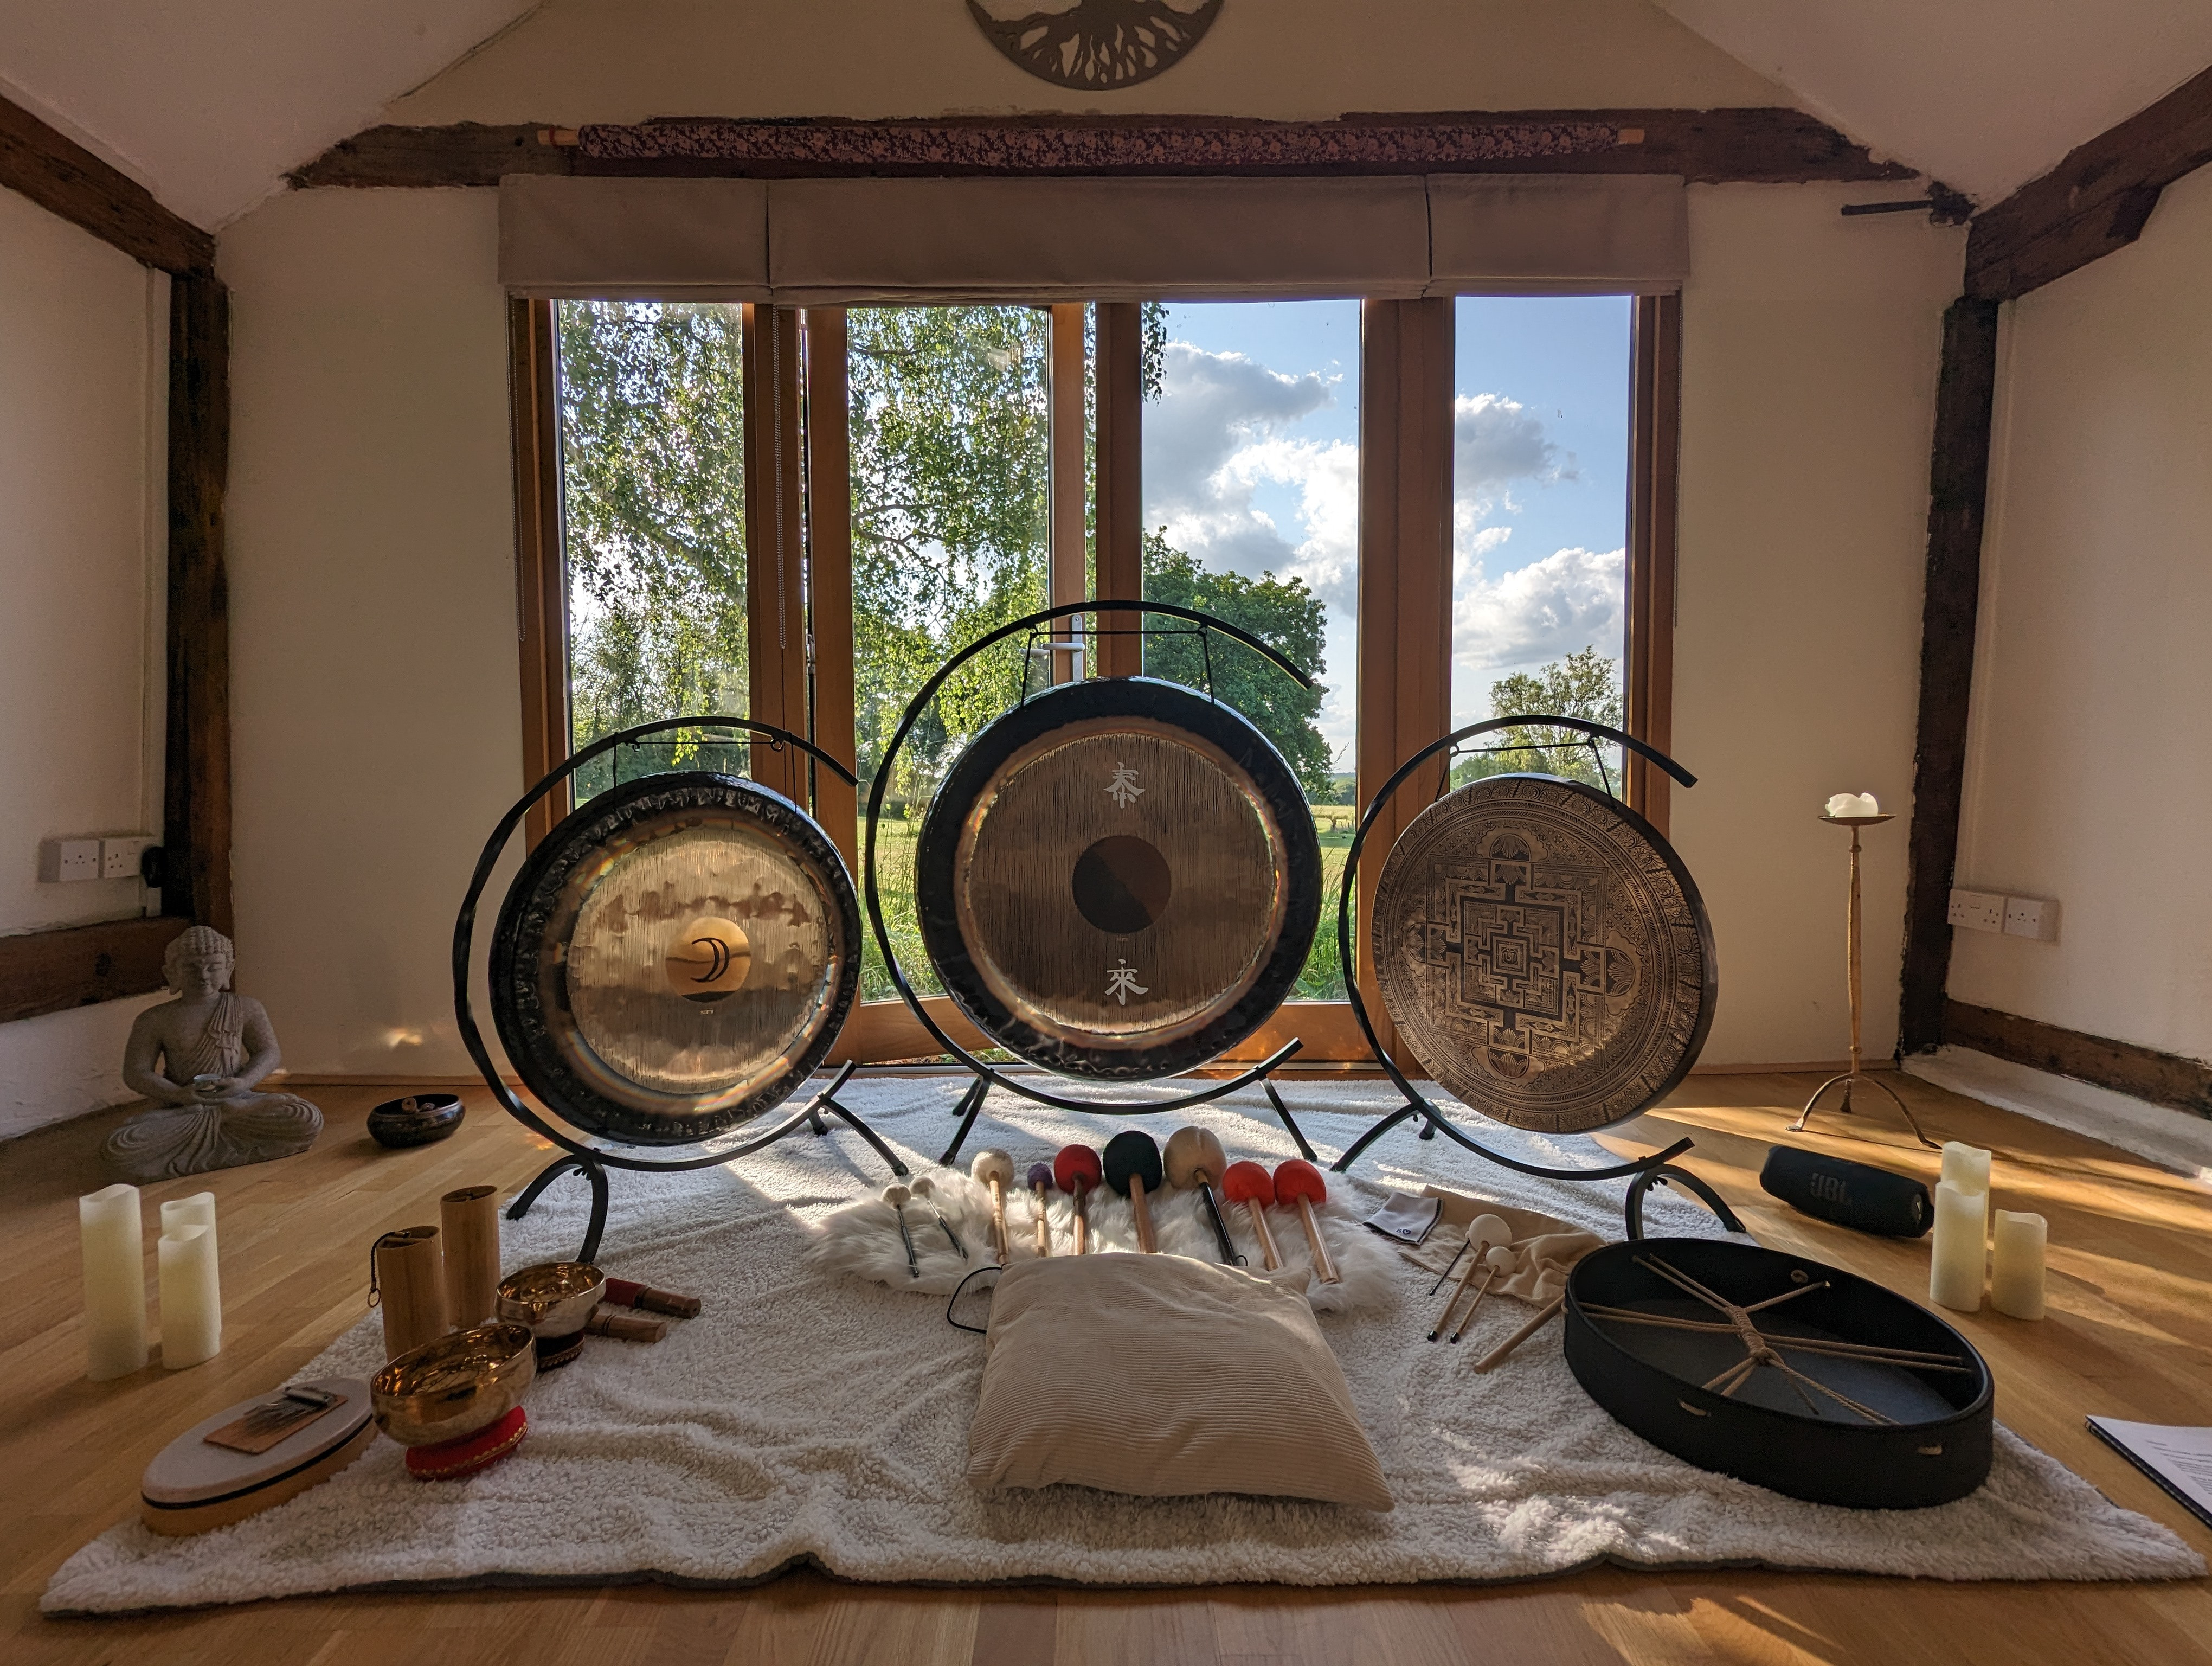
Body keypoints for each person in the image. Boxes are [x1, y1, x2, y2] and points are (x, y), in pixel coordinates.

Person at [104, 926, 323, 1182]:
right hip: (185, 1107)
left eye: (214, 967)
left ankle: (228, 1114)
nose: (204, 976)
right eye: (191, 968)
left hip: (239, 1097)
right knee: (121, 1145)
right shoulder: (154, 1019)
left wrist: (242, 1082)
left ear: (228, 969)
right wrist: (178, 1094)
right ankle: (222, 1116)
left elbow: (269, 1052)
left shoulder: (246, 1008)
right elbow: (136, 1073)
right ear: (171, 972)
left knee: (306, 1117)